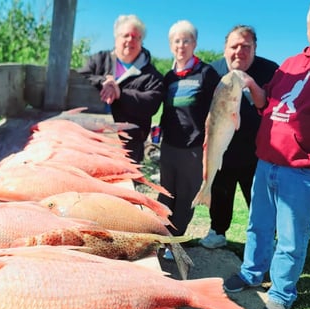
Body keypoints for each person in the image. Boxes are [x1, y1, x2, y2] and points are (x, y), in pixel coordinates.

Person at [223, 0, 310, 309]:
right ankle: (252, 273)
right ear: (308, 23)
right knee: (258, 225)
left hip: (308, 171)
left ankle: (281, 294)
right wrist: (250, 84)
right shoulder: (292, 62)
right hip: (267, 163)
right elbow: (267, 103)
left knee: (291, 238)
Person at [199, 25, 279, 249]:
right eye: (234, 46)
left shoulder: (270, 70)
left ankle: (267, 240)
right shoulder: (212, 71)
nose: (239, 51)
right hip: (222, 146)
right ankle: (217, 231)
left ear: (255, 48)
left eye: (246, 46)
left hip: (259, 150)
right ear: (225, 48)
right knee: (220, 192)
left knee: (260, 199)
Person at [157, 20, 221, 259]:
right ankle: (160, 237)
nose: (181, 45)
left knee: (185, 197)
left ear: (194, 43)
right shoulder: (169, 76)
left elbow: (219, 108)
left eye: (186, 40)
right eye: (176, 41)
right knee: (165, 195)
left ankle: (176, 243)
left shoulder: (206, 73)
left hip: (194, 148)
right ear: (171, 45)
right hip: (169, 146)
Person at [77, 14, 164, 164]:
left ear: (141, 41)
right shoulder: (99, 60)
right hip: (91, 139)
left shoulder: (152, 75)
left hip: (129, 145)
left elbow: (151, 104)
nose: (130, 40)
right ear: (116, 37)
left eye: (136, 37)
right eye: (126, 35)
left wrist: (120, 94)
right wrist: (103, 81)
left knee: (122, 185)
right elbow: (80, 79)